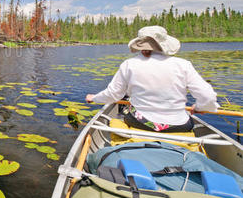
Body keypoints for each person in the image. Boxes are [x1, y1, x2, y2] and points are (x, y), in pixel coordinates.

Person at [85, 26, 218, 132]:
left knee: (127, 113)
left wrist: (94, 98)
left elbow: (113, 95)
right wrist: (200, 107)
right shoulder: (183, 64)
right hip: (179, 125)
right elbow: (208, 96)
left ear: (141, 46)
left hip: (141, 123)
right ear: (165, 44)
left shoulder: (129, 64)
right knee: (187, 120)